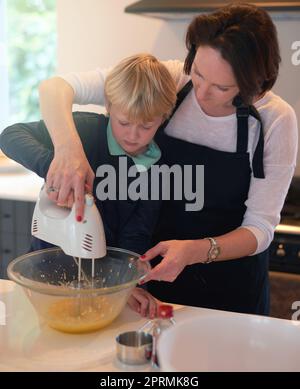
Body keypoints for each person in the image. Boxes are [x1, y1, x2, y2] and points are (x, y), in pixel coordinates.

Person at [22, 3, 298, 315]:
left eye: (221, 87)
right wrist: (68, 151)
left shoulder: (275, 120)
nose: (201, 92)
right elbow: (55, 88)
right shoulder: (169, 80)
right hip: (150, 281)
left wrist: (196, 250)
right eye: (197, 73)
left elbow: (260, 229)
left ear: (256, 84)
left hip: (230, 291)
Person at [0, 53, 177, 318]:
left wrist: (125, 284)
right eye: (124, 122)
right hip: (47, 275)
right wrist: (59, 164)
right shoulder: (85, 131)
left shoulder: (157, 168)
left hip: (104, 284)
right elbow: (10, 136)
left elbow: (136, 235)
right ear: (108, 105)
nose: (132, 135)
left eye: (146, 126)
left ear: (163, 117)